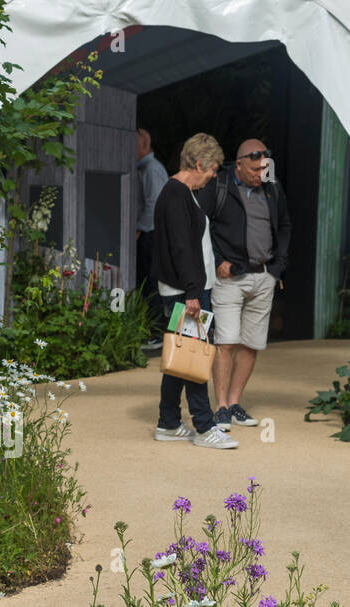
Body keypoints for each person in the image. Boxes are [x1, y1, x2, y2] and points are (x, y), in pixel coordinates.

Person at [195, 138, 291, 430]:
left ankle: (234, 402)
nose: (260, 172)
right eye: (254, 168)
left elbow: (285, 225)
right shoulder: (220, 185)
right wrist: (219, 259)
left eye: (264, 167)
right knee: (226, 342)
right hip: (229, 278)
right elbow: (201, 223)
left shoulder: (272, 188)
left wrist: (278, 266)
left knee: (251, 344)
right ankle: (221, 406)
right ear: (238, 164)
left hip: (264, 276)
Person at [152, 134, 237, 450]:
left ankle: (168, 423)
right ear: (199, 163)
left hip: (186, 289)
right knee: (197, 357)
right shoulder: (176, 196)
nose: (215, 174)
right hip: (186, 292)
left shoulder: (181, 194)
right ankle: (204, 427)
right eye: (213, 168)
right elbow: (181, 249)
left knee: (181, 356)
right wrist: (191, 294)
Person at [136, 128, 170, 349]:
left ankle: (157, 333)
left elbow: (155, 205)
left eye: (134, 144)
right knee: (147, 283)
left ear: (145, 144)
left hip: (152, 234)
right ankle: (152, 331)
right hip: (149, 233)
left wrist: (138, 228)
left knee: (152, 283)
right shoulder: (144, 168)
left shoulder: (151, 169)